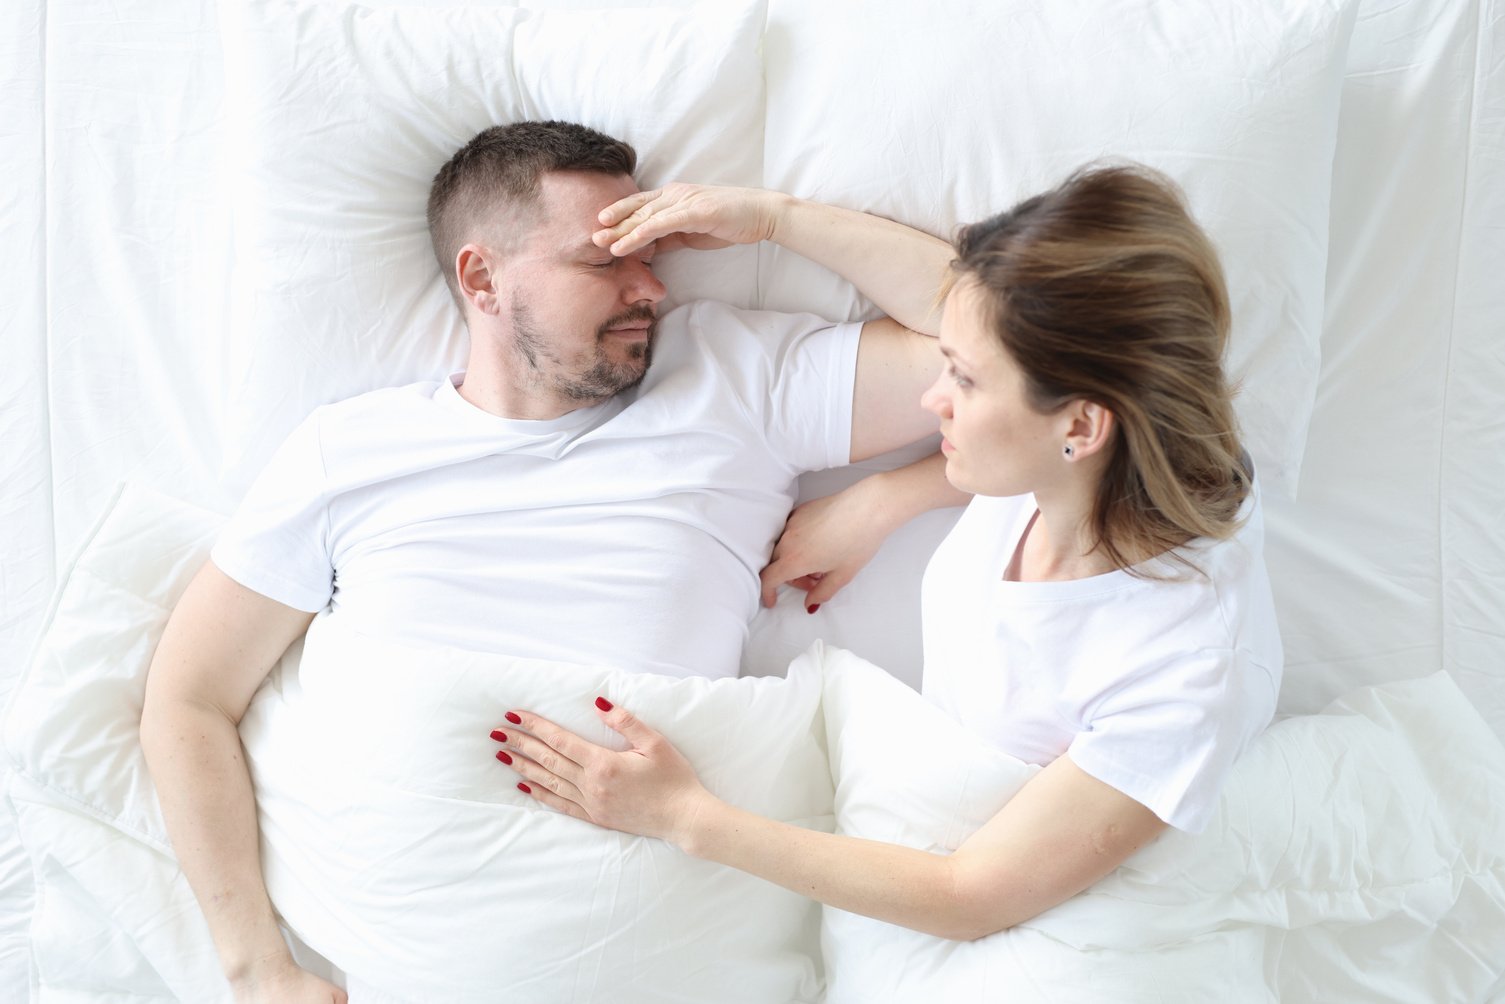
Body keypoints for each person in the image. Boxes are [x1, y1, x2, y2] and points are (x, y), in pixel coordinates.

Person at [139, 120, 951, 1002]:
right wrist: (258, 970)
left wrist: (778, 223)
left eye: (652, 257)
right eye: (602, 263)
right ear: (481, 277)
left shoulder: (734, 377)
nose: (649, 288)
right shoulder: (351, 453)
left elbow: (1013, 347)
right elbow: (188, 700)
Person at [492, 163, 1283, 940]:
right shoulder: (1100, 454)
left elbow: (969, 895)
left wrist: (682, 816)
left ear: (1079, 427)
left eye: (964, 382)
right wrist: (773, 219)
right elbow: (976, 309)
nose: (933, 396)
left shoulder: (1183, 669)